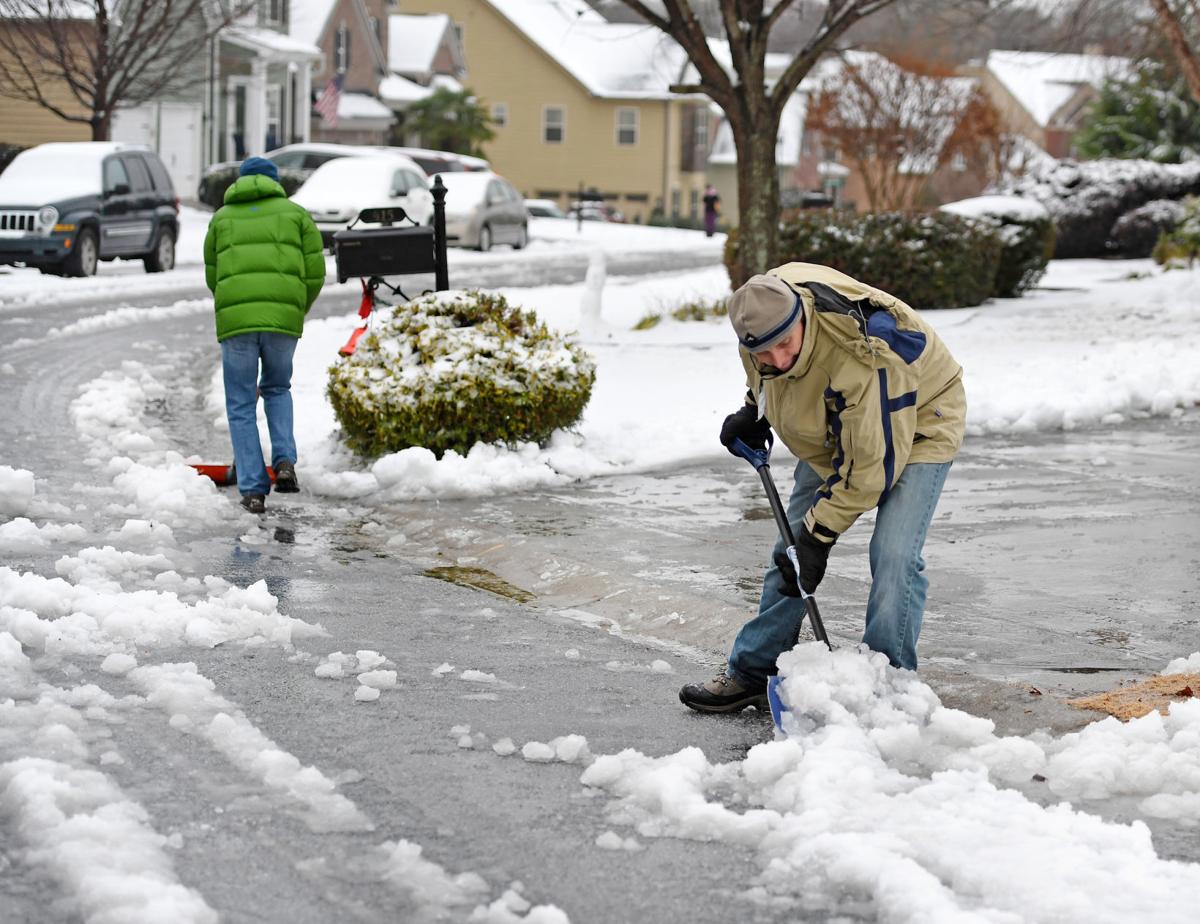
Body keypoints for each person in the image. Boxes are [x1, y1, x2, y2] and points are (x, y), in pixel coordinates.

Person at [679, 263, 966, 713]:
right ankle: (756, 669)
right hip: (840, 421)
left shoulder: (859, 353)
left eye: (784, 346)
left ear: (801, 320)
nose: (776, 359)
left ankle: (887, 686)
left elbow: (871, 469)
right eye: (762, 354)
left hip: (920, 413)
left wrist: (820, 535)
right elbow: (772, 377)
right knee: (789, 552)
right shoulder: (761, 318)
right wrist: (754, 409)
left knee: (893, 555)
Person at [203, 156, 325, 514]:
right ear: (275, 182)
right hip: (282, 320)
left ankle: (254, 489)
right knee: (277, 388)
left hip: (237, 323)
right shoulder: (297, 215)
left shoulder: (221, 219)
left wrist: (233, 305)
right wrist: (293, 308)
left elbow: (214, 274)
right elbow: (315, 272)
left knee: (240, 402)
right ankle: (284, 460)